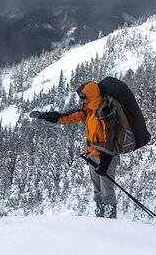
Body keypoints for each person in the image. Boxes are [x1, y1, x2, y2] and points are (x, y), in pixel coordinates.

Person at [31, 80, 128, 218]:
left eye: (84, 97)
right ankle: (100, 217)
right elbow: (66, 117)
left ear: (92, 96)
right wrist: (44, 115)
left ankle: (110, 219)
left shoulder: (105, 112)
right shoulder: (88, 111)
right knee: (98, 190)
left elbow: (110, 140)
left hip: (107, 157)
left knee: (106, 190)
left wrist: (105, 163)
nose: (81, 100)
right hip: (93, 156)